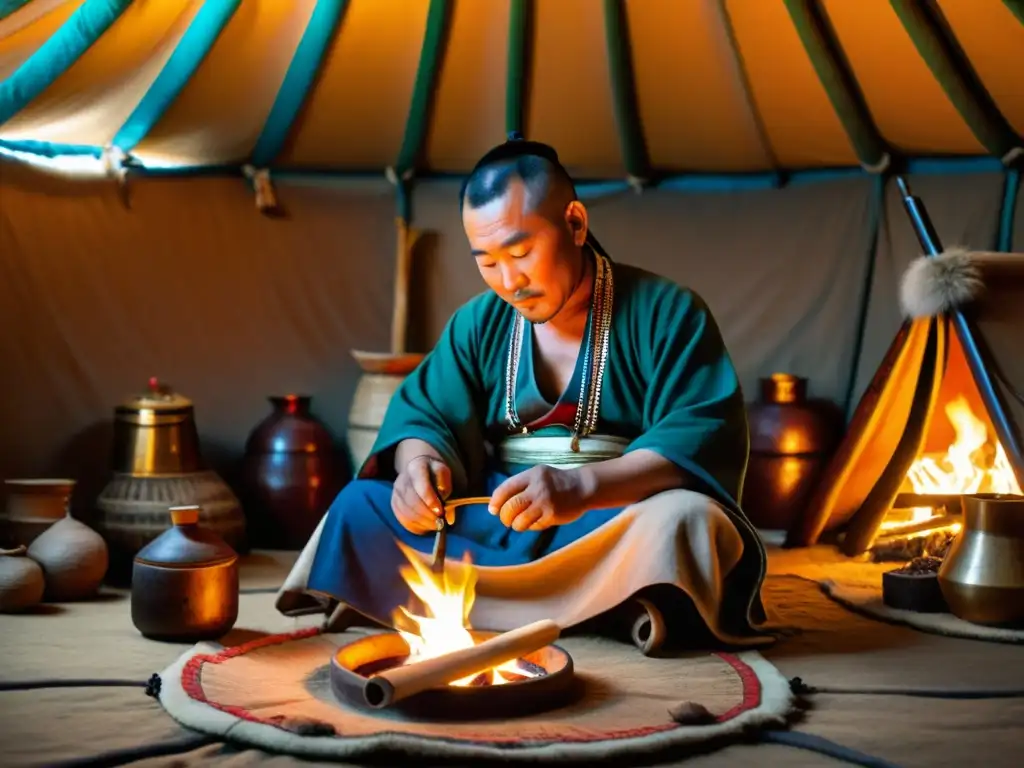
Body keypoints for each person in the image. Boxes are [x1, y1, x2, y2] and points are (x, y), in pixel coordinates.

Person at [276, 134, 770, 654]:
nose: (509, 280)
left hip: (606, 520)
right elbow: (425, 416)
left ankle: (503, 607)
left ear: (575, 224)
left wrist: (580, 490)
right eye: (487, 261)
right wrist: (418, 470)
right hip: (497, 519)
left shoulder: (667, 312)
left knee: (685, 522)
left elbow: (697, 438)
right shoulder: (477, 323)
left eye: (521, 251)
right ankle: (603, 612)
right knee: (360, 504)